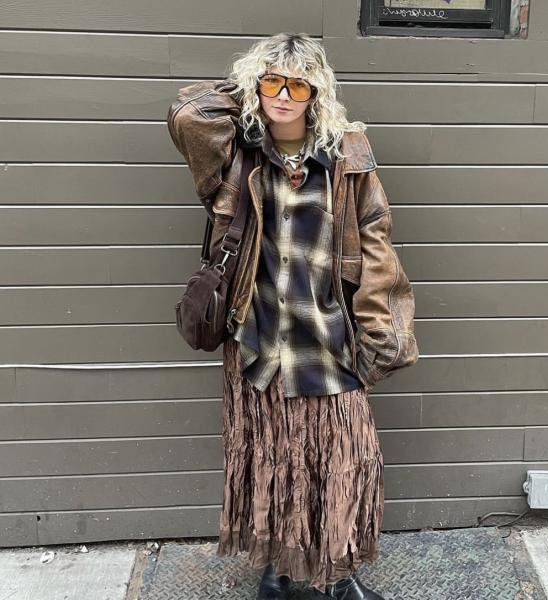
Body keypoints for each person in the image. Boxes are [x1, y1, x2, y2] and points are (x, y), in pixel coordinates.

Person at [167, 32, 419, 599]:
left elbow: (376, 239)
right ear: (257, 85)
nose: (284, 95)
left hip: (327, 338)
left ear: (317, 92)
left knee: (341, 462)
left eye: (298, 84)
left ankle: (337, 576)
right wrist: (251, 83)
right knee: (273, 463)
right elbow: (187, 112)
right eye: (273, 82)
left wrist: (379, 327)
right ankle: (278, 572)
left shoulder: (348, 152)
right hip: (258, 340)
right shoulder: (233, 154)